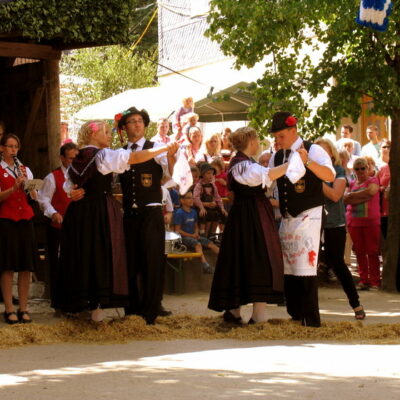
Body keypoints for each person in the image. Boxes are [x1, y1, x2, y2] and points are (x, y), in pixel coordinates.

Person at [57, 120, 175, 322]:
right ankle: (97, 309)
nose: (109, 135)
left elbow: (70, 188)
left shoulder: (77, 159)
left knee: (82, 254)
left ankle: (80, 305)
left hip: (78, 214)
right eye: (105, 131)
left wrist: (75, 193)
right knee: (102, 254)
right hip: (100, 212)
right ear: (93, 135)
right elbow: (135, 157)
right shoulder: (103, 155)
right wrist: (163, 148)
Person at [208, 127, 296, 325]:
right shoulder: (241, 165)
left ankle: (239, 312)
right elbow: (268, 174)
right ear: (250, 141)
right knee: (256, 258)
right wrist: (294, 162)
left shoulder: (245, 163)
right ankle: (247, 313)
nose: (258, 143)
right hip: (249, 218)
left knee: (245, 259)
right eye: (256, 139)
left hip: (250, 216)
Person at [269, 112, 335, 327]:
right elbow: (268, 178)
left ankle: (311, 319)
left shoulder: (314, 149)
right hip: (288, 217)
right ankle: (296, 314)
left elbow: (330, 175)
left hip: (310, 215)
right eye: (275, 137)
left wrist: (308, 162)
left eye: (280, 136)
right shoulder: (277, 156)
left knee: (306, 265)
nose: (277, 141)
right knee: (289, 266)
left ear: (293, 131)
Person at [117, 107, 179, 325]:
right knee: (131, 262)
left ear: (144, 125)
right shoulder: (121, 152)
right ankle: (132, 310)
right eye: (132, 122)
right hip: (130, 215)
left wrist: (171, 157)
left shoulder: (156, 149)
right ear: (125, 127)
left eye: (140, 121)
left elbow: (172, 176)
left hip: (151, 212)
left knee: (152, 261)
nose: (136, 124)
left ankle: (152, 309)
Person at [315, 138, 365, 320]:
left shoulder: (338, 171)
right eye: (316, 151)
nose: (319, 155)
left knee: (338, 263)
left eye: (323, 151)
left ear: (331, 153)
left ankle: (356, 303)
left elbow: (336, 196)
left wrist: (315, 180)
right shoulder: (308, 170)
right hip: (311, 222)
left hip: (333, 222)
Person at [0, 134, 38, 324]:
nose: (13, 150)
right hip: (7, 220)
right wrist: (13, 188)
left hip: (25, 220)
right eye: (9, 146)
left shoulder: (25, 169)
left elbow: (34, 196)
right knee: (7, 266)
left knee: (26, 265)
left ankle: (24, 307)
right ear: (2, 148)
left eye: (16, 147)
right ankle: (8, 308)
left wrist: (31, 189)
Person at [37, 142, 79, 309]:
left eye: (76, 158)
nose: (73, 162)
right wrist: (53, 213)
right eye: (70, 159)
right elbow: (43, 199)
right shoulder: (52, 177)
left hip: (77, 229)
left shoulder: (80, 176)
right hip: (58, 228)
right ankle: (59, 301)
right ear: (62, 158)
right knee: (58, 265)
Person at [344, 157, 381, 291]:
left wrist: (354, 196)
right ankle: (364, 280)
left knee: (372, 252)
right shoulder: (352, 183)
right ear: (354, 170)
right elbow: (345, 199)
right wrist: (362, 195)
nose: (360, 171)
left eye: (363, 168)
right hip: (354, 222)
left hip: (371, 222)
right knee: (359, 252)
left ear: (368, 168)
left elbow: (371, 191)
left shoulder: (373, 180)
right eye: (357, 169)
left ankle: (375, 281)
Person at [174, 191, 219, 273]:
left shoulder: (194, 212)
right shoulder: (179, 213)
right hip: (183, 238)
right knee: (197, 244)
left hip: (193, 235)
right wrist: (191, 236)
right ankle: (206, 266)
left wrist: (196, 233)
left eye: (192, 198)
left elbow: (196, 226)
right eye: (188, 198)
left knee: (210, 243)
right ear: (182, 200)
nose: (191, 200)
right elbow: (177, 230)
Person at [193, 163, 228, 237]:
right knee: (203, 213)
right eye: (208, 173)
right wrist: (201, 207)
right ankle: (203, 233)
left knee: (222, 213)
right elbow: (196, 198)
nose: (211, 175)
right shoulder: (199, 185)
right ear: (202, 174)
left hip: (210, 205)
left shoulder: (213, 185)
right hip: (201, 206)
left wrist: (222, 208)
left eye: (212, 174)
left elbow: (217, 197)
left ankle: (219, 233)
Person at [377, 139, 391, 238]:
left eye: (388, 147)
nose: (386, 149)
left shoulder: (395, 164)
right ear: (379, 149)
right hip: (381, 205)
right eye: (384, 147)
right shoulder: (376, 165)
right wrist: (383, 188)